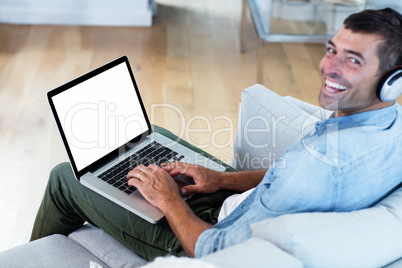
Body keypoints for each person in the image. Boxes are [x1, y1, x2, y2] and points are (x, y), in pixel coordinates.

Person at [31, 8, 402, 261]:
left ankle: (28, 261)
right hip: (240, 205)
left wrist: (170, 201)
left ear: (392, 81)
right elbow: (285, 179)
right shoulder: (387, 129)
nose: (329, 67)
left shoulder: (316, 169)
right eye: (331, 50)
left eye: (353, 60)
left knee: (65, 176)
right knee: (148, 137)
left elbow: (212, 252)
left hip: (206, 234)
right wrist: (222, 179)